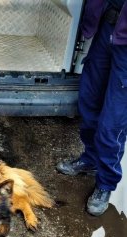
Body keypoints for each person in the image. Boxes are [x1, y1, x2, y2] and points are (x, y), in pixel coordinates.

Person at [57, 0, 127, 216]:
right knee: (89, 101)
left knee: (112, 123)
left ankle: (106, 183)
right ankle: (91, 159)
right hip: (107, 26)